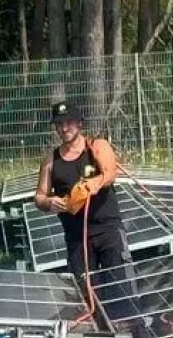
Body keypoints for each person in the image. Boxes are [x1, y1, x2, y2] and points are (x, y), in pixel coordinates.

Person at [35, 101, 129, 276]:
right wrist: (49, 202)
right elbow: (39, 197)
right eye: (59, 124)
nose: (64, 129)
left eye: (69, 123)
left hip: (108, 230)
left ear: (79, 123)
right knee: (84, 292)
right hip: (76, 237)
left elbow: (110, 174)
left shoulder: (97, 146)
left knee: (120, 287)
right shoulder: (50, 161)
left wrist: (94, 183)